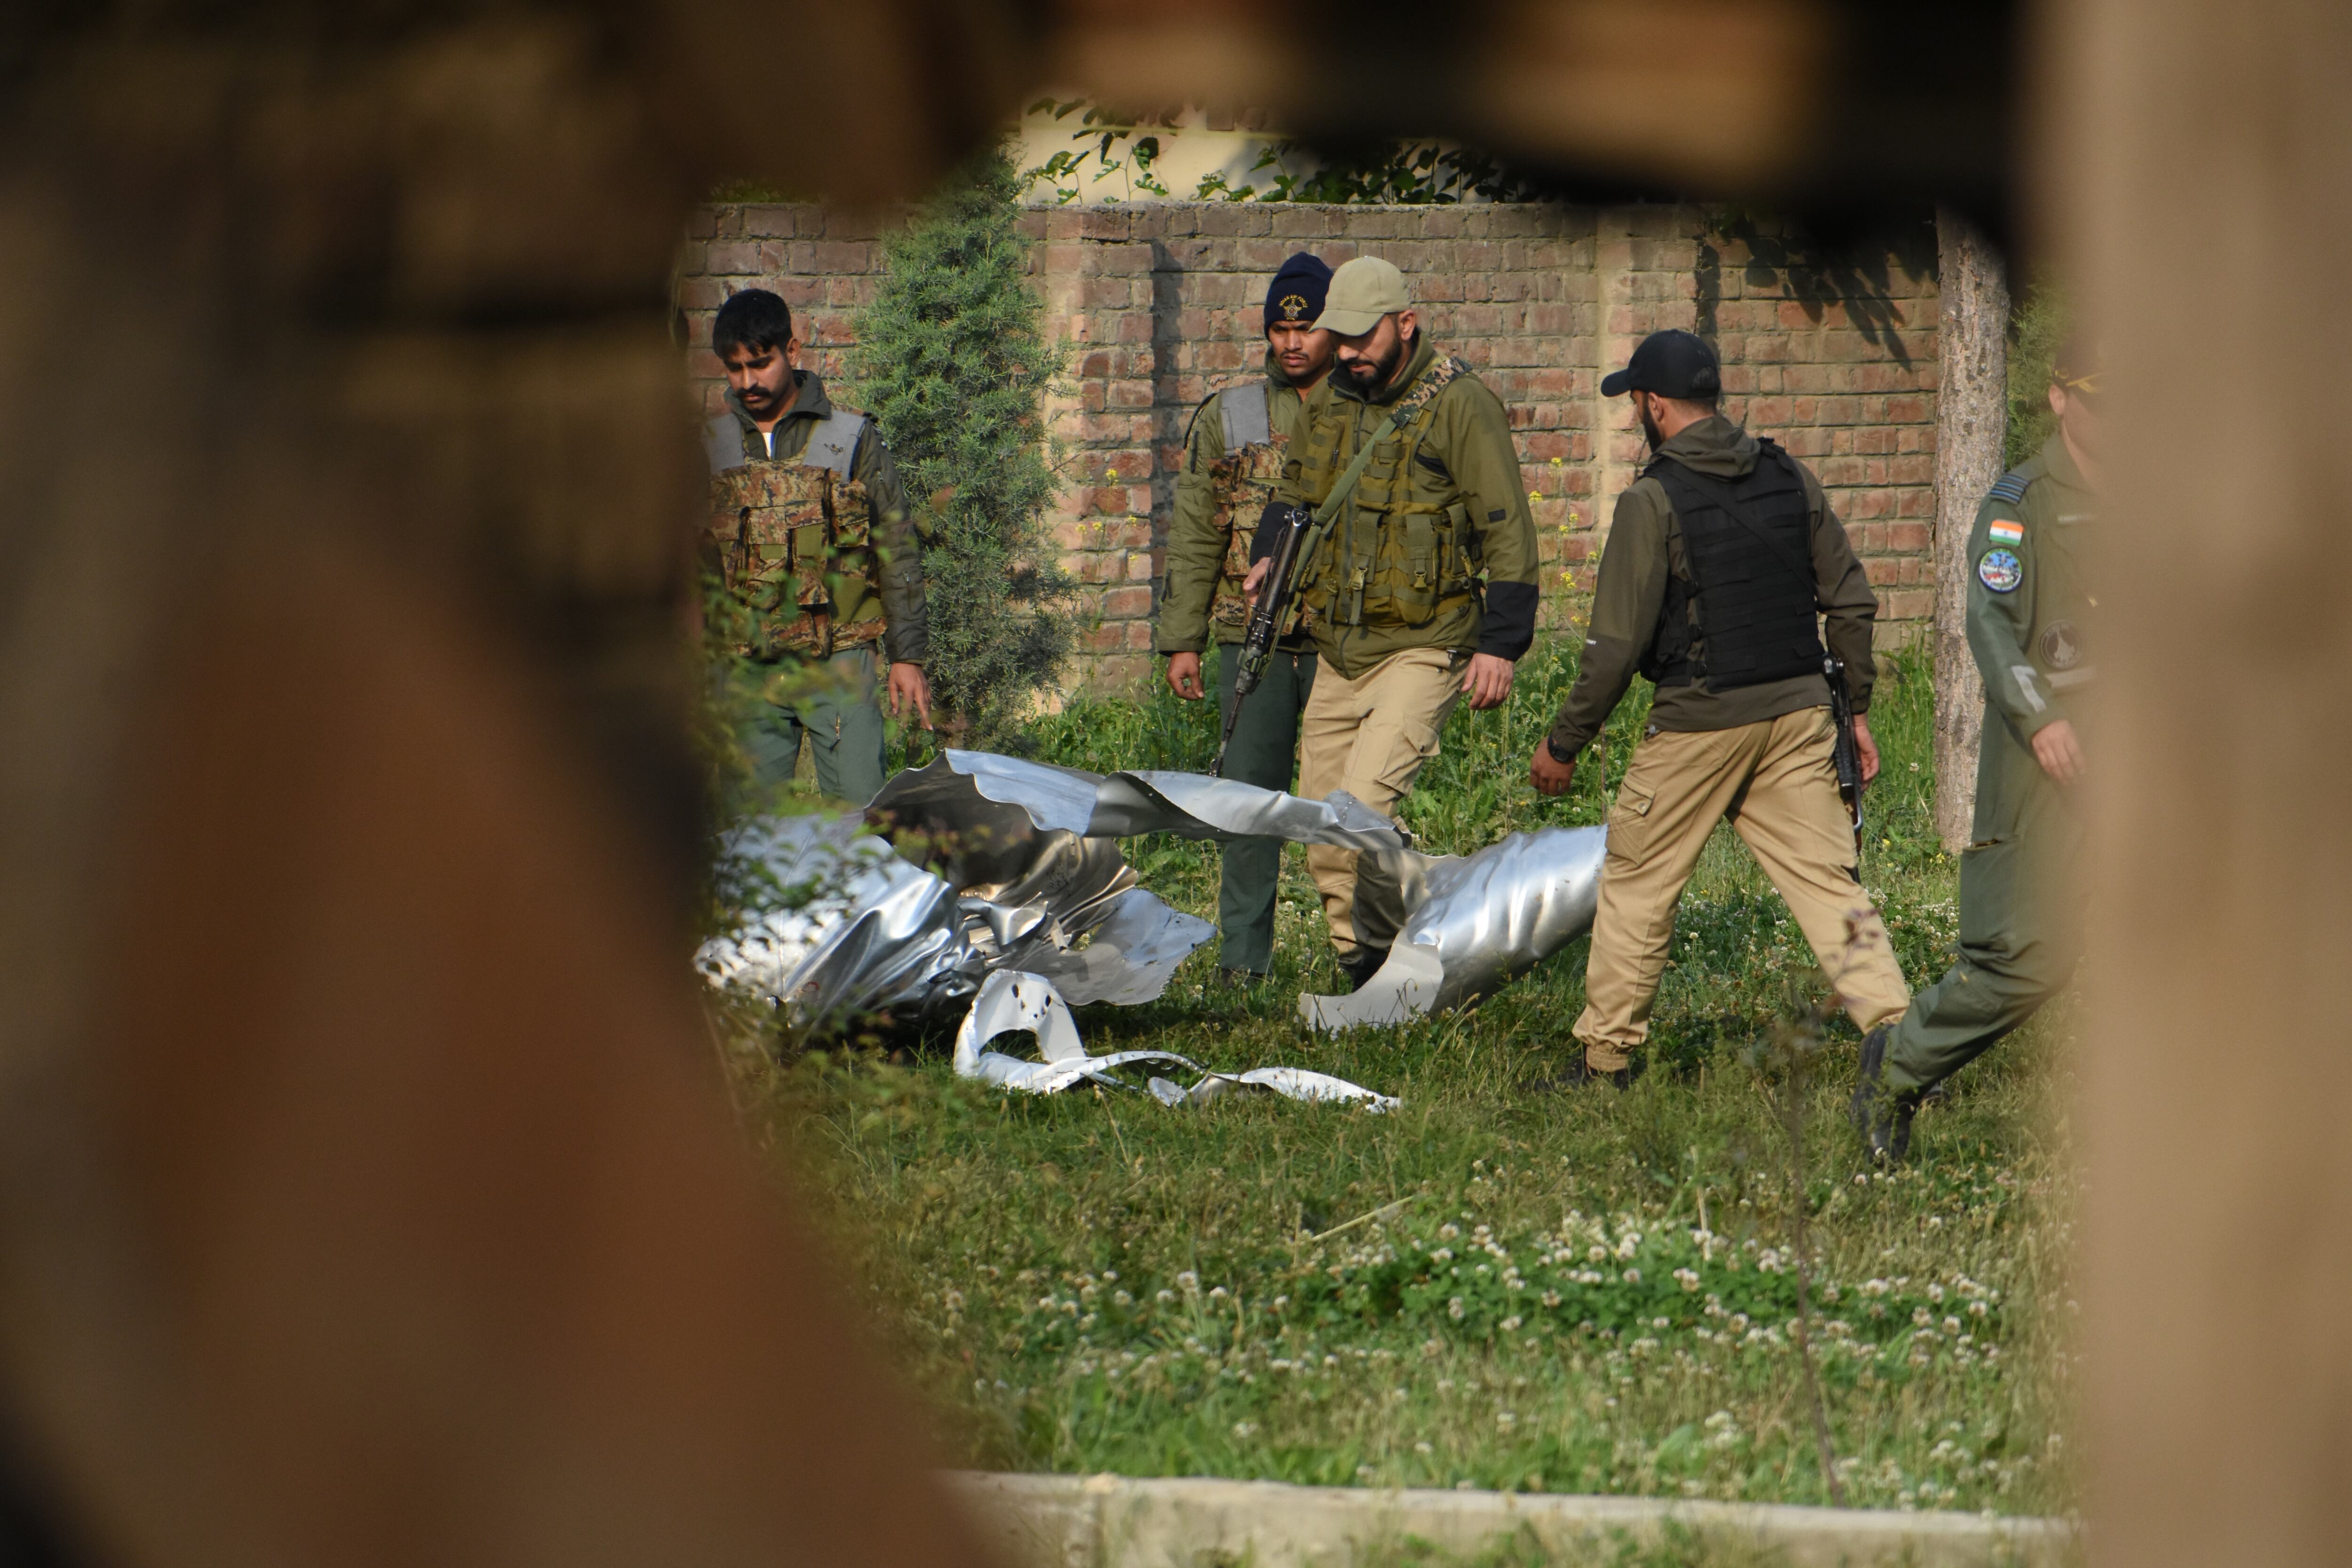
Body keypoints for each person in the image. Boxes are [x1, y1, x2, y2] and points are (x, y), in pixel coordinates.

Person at [1529, 328, 1910, 1086]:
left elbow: (1615, 646)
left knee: (1640, 879)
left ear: (1656, 406)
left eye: (1637, 400)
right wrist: (1854, 712)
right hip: (1801, 716)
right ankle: (1900, 1036)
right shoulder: (1788, 475)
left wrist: (1564, 744)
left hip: (1701, 719)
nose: (1637, 412)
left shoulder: (1651, 500)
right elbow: (1853, 602)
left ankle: (1606, 1060)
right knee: (1829, 884)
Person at [1254, 255, 1540, 990]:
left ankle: (1436, 924)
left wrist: (1501, 645)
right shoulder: (1335, 398)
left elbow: (1507, 525)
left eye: (1361, 338)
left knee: (1364, 813)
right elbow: (1297, 493)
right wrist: (1267, 558)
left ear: (1405, 324)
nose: (1346, 353)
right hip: (1341, 648)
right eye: (1337, 338)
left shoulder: (1460, 404)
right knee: (1324, 835)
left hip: (1425, 644)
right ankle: (1368, 973)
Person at [1851, 340, 2102, 1161]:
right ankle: (1902, 1060)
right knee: (2030, 959)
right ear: (2061, 400)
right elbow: (1991, 627)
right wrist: (2042, 717)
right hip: (2048, 766)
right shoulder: (2017, 506)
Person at [1157, 253, 1336, 983]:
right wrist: (1182, 642)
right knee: (1247, 806)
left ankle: (1359, 959)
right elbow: (1197, 532)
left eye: (1308, 329)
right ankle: (1243, 965)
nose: (1292, 343)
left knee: (1343, 809)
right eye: (1279, 329)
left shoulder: (1364, 411)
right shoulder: (1227, 416)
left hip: (1340, 641)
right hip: (1248, 637)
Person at [703, 288, 930, 804]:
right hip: (745, 669)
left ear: (793, 350)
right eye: (734, 369)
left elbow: (895, 544)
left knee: (861, 825)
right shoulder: (708, 446)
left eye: (759, 364)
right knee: (749, 835)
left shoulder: (851, 439)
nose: (747, 382)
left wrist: (907, 656)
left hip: (840, 663)